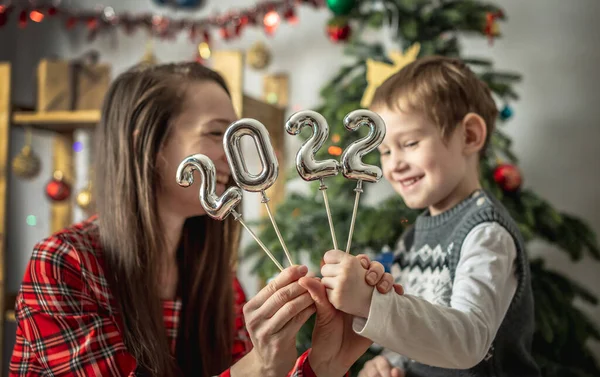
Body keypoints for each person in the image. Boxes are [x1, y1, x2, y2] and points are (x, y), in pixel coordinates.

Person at [9, 62, 398, 377]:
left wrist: (323, 367)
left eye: (236, 134)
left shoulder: (218, 282)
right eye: (216, 134)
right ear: (146, 142)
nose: (233, 153)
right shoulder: (63, 264)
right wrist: (260, 366)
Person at [319, 56, 541, 377]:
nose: (393, 164)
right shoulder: (412, 236)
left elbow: (468, 341)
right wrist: (387, 362)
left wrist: (370, 302)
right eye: (384, 151)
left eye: (409, 143)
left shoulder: (485, 233)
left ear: (469, 136)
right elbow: (415, 327)